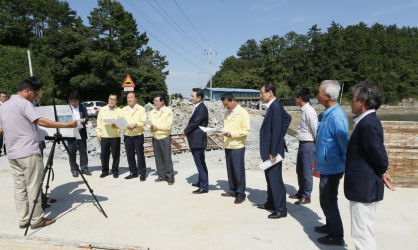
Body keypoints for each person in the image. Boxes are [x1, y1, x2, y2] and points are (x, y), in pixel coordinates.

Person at [0, 76, 77, 229]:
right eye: (35, 94)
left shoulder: (5, 105)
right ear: (28, 90)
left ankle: (23, 219)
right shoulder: (24, 103)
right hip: (28, 152)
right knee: (33, 186)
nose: (35, 97)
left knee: (19, 187)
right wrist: (66, 125)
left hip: (12, 153)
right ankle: (36, 219)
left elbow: (2, 129)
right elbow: (40, 120)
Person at [344, 82, 395, 249]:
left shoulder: (368, 124)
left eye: (353, 98)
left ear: (363, 101)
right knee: (362, 231)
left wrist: (383, 170)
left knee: (362, 234)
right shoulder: (366, 121)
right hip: (363, 186)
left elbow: (378, 152)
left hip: (363, 187)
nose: (351, 101)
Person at [314, 80, 349, 246]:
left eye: (319, 91)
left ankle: (337, 235)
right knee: (324, 198)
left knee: (329, 199)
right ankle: (330, 225)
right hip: (326, 165)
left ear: (327, 96)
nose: (317, 94)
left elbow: (345, 146)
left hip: (332, 167)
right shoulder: (327, 114)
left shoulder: (336, 117)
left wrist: (341, 166)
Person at [256, 82, 292, 219]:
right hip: (269, 149)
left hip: (273, 151)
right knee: (270, 178)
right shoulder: (273, 107)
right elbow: (287, 118)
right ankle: (271, 202)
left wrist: (274, 150)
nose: (260, 95)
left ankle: (281, 209)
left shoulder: (275, 106)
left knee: (275, 180)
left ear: (270, 93)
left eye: (262, 92)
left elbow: (277, 130)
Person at [220, 93, 251, 204]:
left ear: (233, 100)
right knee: (230, 170)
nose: (226, 107)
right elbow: (225, 127)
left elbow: (246, 130)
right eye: (224, 105)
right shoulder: (226, 113)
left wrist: (232, 134)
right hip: (228, 144)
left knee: (238, 172)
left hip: (237, 145)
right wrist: (221, 133)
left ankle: (240, 194)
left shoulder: (243, 113)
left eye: (227, 104)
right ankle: (232, 190)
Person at [289, 88, 317, 205]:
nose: (295, 99)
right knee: (299, 170)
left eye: (296, 97)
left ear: (300, 98)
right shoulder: (304, 111)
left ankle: (307, 195)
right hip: (302, 144)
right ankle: (301, 192)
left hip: (308, 144)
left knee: (306, 171)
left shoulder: (309, 111)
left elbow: (315, 130)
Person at [183, 88, 209, 194]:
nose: (191, 98)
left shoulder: (202, 108)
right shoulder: (197, 107)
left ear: (199, 97)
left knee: (200, 163)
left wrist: (185, 130)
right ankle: (201, 182)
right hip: (194, 139)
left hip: (198, 139)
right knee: (199, 162)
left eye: (192, 96)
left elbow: (195, 123)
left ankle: (204, 186)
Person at [149, 93, 175, 185]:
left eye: (156, 101)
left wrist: (157, 127)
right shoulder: (152, 112)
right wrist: (150, 128)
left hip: (164, 137)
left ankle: (170, 177)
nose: (154, 102)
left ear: (162, 101)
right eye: (154, 101)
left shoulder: (168, 111)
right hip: (155, 137)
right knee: (158, 157)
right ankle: (161, 175)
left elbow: (168, 125)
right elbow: (149, 124)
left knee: (166, 157)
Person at [121, 91, 147, 181]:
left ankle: (142, 173)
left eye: (131, 97)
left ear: (136, 98)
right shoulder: (123, 110)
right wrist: (129, 126)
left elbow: (143, 121)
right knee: (130, 155)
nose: (129, 99)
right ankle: (133, 172)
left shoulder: (141, 109)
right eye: (128, 98)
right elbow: (121, 121)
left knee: (140, 155)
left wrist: (135, 124)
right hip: (127, 135)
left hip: (138, 135)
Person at [95, 93, 122, 178]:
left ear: (116, 101)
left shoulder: (120, 110)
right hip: (104, 136)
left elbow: (122, 123)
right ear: (108, 99)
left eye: (114, 99)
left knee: (115, 155)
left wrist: (116, 125)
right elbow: (99, 122)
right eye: (110, 99)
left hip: (115, 136)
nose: (111, 101)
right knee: (104, 155)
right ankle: (105, 171)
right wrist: (98, 133)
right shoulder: (102, 110)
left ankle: (115, 171)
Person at [67, 91, 91, 177]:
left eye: (76, 101)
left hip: (81, 131)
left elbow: (87, 117)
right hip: (71, 132)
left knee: (83, 151)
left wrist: (85, 120)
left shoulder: (82, 107)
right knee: (72, 151)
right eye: (72, 101)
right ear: (69, 100)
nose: (74, 103)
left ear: (78, 100)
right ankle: (74, 169)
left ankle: (84, 168)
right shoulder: (66, 108)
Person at [0, 91, 7, 156]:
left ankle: (6, 150)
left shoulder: (8, 104)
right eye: (3, 97)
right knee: (0, 138)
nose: (4, 98)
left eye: (5, 97)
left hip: (7, 123)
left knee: (7, 138)